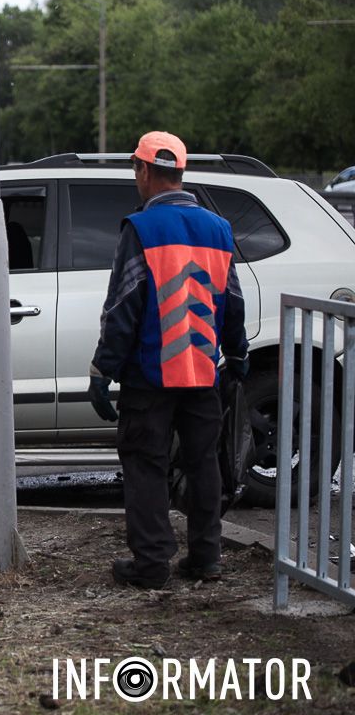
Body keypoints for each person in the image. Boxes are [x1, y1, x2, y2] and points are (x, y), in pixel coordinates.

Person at [89, 131, 248, 590]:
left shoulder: (140, 228)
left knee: (146, 464)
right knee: (203, 464)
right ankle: (206, 557)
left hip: (151, 373)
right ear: (181, 173)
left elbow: (124, 305)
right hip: (203, 370)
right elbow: (232, 301)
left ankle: (153, 563)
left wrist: (104, 370)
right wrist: (236, 353)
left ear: (142, 170)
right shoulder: (218, 230)